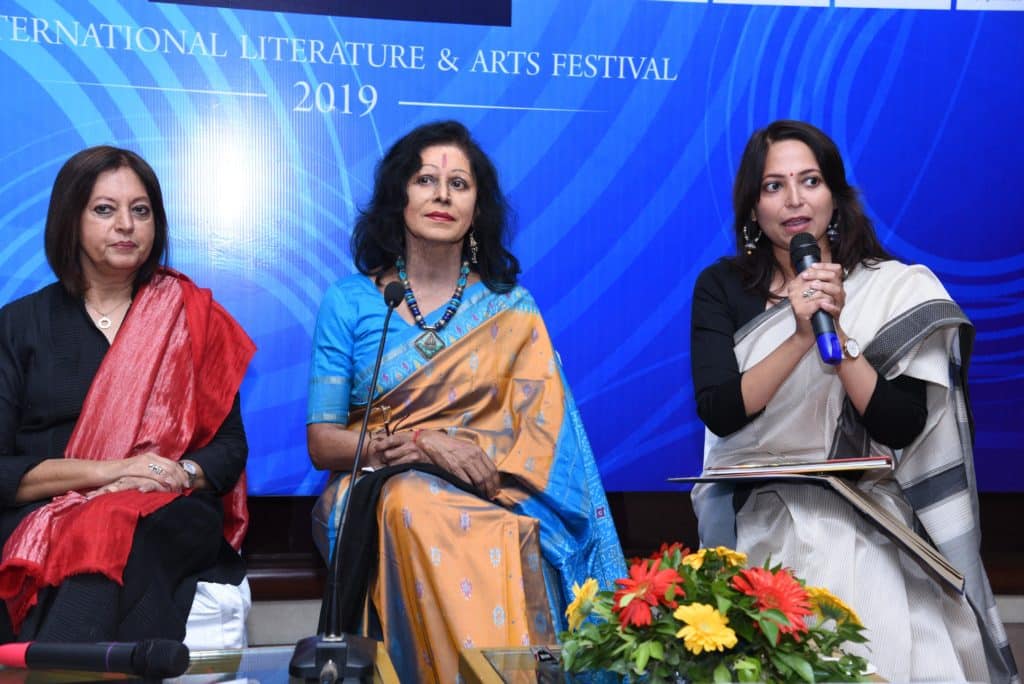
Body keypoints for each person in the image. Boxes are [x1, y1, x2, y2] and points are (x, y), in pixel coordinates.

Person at [689, 120, 1018, 683]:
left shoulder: (895, 289)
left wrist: (838, 342)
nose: (794, 199)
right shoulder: (721, 287)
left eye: (809, 180)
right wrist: (798, 337)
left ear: (835, 197)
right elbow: (721, 408)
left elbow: (902, 424)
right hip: (767, 515)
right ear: (752, 207)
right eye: (773, 186)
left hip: (872, 516)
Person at [307, 120, 625, 682]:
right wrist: (421, 445)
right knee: (412, 503)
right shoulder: (354, 301)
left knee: (502, 531)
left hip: (493, 487)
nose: (442, 194)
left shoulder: (512, 309)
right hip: (375, 486)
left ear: (477, 209)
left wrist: (465, 457)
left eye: (460, 183)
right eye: (426, 179)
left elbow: (546, 441)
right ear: (398, 197)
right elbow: (323, 442)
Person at [0, 146, 254, 643]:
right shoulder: (18, 325)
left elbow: (228, 450)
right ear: (69, 220)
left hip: (166, 510)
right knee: (106, 525)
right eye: (104, 209)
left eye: (141, 211)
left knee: (124, 524)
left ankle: (57, 670)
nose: (126, 225)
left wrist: (175, 473)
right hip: (43, 513)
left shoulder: (191, 319)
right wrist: (110, 472)